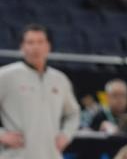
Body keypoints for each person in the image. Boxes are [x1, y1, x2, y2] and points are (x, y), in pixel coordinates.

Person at [0, 24, 80, 159]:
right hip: (16, 155)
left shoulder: (60, 79)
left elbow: (73, 113)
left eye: (40, 42)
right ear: (22, 47)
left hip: (51, 155)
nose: (35, 47)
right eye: (30, 42)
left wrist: (66, 135)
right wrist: (1, 135)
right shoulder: (5, 76)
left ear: (48, 46)